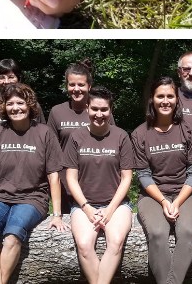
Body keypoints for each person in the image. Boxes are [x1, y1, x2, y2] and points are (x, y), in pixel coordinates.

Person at [0, 83, 62, 284]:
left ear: (30, 105)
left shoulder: (44, 133)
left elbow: (54, 176)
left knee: (13, 234)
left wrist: (57, 215)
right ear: (4, 107)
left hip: (32, 198)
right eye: (10, 103)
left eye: (20, 103)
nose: (16, 108)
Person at [132, 76, 192, 284]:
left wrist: (178, 201)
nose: (165, 101)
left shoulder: (190, 130)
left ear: (177, 100)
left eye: (170, 96)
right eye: (160, 96)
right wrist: (164, 202)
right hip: (153, 195)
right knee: (156, 233)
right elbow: (143, 174)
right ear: (152, 100)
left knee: (188, 231)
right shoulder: (140, 134)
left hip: (188, 192)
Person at [64, 86, 140, 284]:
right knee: (84, 244)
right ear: (87, 108)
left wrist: (110, 209)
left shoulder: (121, 136)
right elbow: (71, 178)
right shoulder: (76, 137)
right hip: (83, 205)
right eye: (95, 109)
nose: (99, 114)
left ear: (111, 110)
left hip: (117, 205)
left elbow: (126, 178)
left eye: (104, 109)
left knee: (115, 242)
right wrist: (87, 208)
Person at [48, 60, 95, 145]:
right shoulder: (57, 112)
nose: (76, 89)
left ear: (89, 86)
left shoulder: (101, 111)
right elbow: (50, 147)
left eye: (81, 85)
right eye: (72, 85)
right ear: (67, 86)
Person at [0, 59, 42, 124]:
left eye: (11, 77)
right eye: (1, 78)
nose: (6, 82)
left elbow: (40, 129)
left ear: (18, 78)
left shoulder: (31, 102)